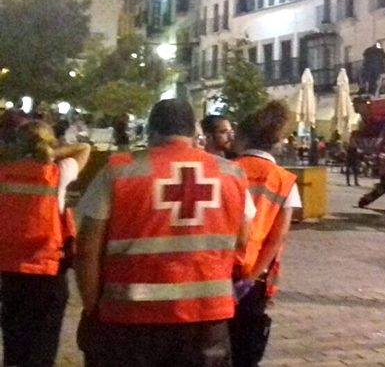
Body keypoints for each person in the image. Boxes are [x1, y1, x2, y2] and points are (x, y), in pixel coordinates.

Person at [75, 98, 254, 367]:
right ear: (195, 132)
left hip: (129, 317)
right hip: (206, 317)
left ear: (150, 131)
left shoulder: (118, 171)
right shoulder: (232, 173)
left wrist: (92, 307)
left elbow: (87, 249)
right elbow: (242, 238)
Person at [0, 120, 90, 367]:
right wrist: (52, 153)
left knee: (14, 342)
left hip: (9, 271)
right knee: (42, 346)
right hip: (47, 271)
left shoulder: (4, 172)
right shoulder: (58, 174)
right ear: (49, 144)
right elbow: (84, 148)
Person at [229, 101, 301, 367]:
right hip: (255, 277)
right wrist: (252, 277)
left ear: (244, 138)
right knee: (246, 350)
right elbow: (277, 237)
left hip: (219, 269)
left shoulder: (227, 169)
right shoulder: (284, 180)